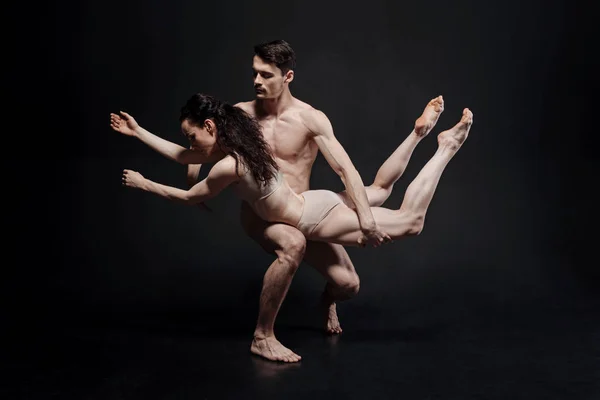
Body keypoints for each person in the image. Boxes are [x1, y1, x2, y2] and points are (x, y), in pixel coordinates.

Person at [110, 93, 474, 361]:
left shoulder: (227, 165)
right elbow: (184, 155)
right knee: (378, 190)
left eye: (192, 135)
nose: (191, 145)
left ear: (210, 127)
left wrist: (146, 184)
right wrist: (139, 132)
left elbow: (189, 196)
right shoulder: (243, 136)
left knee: (411, 222)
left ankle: (444, 147)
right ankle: (418, 135)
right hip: (313, 202)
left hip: (313, 218)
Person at [184, 40, 446, 363]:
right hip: (261, 217)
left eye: (266, 75)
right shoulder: (241, 116)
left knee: (349, 282)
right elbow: (204, 138)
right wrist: (192, 177)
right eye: (254, 74)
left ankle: (327, 300)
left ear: (288, 76)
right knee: (294, 243)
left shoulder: (309, 119)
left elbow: (344, 168)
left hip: (302, 207)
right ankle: (262, 335)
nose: (256, 82)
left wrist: (366, 219)